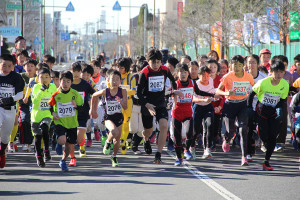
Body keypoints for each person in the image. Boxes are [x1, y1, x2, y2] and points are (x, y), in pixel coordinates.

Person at [137, 48, 184, 164]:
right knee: (149, 130)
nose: (156, 65)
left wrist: (174, 91)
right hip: (147, 103)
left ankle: (158, 154)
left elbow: (173, 81)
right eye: (153, 62)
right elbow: (138, 93)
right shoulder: (145, 72)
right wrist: (147, 105)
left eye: (158, 62)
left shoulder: (164, 69)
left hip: (160, 103)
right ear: (148, 61)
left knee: (163, 126)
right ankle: (146, 138)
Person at [248, 60, 289, 171]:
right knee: (264, 136)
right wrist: (249, 108)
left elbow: (283, 100)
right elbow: (251, 93)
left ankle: (266, 161)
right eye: (276, 72)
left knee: (272, 138)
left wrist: (279, 110)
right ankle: (260, 134)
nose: (279, 74)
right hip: (262, 110)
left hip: (274, 111)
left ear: (284, 73)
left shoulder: (285, 85)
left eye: (281, 72)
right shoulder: (263, 82)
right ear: (271, 71)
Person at [216, 55, 255, 166]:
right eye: (235, 65)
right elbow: (218, 91)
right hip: (230, 105)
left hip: (242, 105)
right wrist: (226, 93)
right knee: (231, 132)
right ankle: (227, 140)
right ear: (230, 66)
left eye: (239, 65)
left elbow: (255, 87)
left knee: (243, 130)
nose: (237, 67)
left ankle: (244, 157)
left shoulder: (248, 76)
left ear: (243, 65)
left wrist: (250, 94)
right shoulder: (228, 76)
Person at [90, 70, 128, 167]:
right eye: (112, 79)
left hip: (119, 116)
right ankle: (107, 141)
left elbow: (126, 107)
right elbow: (94, 96)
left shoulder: (123, 91)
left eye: (117, 79)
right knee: (114, 132)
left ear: (120, 81)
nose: (115, 81)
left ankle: (114, 157)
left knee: (117, 140)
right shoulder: (105, 91)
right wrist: (92, 110)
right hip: (108, 117)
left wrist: (121, 102)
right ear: (108, 80)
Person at [48, 71, 84, 171]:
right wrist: (53, 113)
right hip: (59, 122)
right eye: (63, 81)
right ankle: (58, 141)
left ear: (71, 83)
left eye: (68, 82)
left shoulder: (75, 94)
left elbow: (81, 108)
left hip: (72, 123)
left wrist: (76, 106)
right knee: (62, 140)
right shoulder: (56, 94)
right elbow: (50, 106)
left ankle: (63, 161)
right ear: (60, 82)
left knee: (69, 145)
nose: (65, 84)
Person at [0, 54, 25, 168]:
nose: (5, 68)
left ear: (13, 67)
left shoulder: (16, 77)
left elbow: (21, 94)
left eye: (9, 66)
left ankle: (2, 152)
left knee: (5, 137)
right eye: (3, 65)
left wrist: (11, 99)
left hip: (10, 109)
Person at [69, 62, 95, 166]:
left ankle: (81, 144)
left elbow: (94, 94)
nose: (75, 74)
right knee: (71, 137)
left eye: (78, 72)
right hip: (70, 114)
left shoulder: (85, 84)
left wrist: (92, 108)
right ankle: (73, 157)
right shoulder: (67, 83)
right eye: (73, 72)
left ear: (81, 72)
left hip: (83, 113)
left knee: (79, 136)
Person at [31, 68, 57, 167]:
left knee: (45, 127)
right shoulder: (36, 87)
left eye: (47, 77)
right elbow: (34, 102)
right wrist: (41, 91)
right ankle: (39, 156)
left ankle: (46, 150)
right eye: (42, 77)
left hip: (47, 114)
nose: (44, 79)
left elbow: (56, 99)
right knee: (37, 137)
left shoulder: (53, 86)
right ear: (38, 79)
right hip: (36, 115)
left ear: (50, 78)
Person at [192, 66, 218, 160]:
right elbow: (193, 99)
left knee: (210, 125)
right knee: (195, 130)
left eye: (207, 75)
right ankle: (192, 148)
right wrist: (202, 99)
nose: (206, 77)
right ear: (199, 76)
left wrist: (214, 97)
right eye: (203, 76)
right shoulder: (196, 84)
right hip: (198, 107)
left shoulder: (211, 80)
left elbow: (213, 92)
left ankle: (207, 149)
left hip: (208, 107)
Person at [245, 54, 267, 161]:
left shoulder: (264, 78)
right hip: (247, 105)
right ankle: (248, 152)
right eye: (249, 62)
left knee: (261, 127)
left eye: (253, 62)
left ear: (258, 64)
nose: (251, 65)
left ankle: (261, 141)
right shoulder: (243, 76)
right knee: (248, 127)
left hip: (260, 105)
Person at [115, 58, 136, 154]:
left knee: (126, 124)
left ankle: (123, 142)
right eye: (118, 67)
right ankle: (118, 141)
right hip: (117, 103)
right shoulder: (115, 76)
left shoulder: (131, 77)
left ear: (126, 68)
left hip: (128, 102)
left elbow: (134, 91)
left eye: (121, 68)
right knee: (117, 123)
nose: (119, 69)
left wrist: (123, 91)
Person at [19, 59, 38, 151]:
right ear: (23, 67)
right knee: (24, 120)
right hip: (23, 104)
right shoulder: (20, 77)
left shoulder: (38, 78)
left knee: (33, 122)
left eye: (32, 66)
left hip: (35, 105)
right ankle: (26, 143)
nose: (29, 68)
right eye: (27, 65)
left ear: (35, 68)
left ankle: (33, 140)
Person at [206, 59, 225, 149]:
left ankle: (213, 138)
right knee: (208, 125)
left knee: (216, 126)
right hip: (206, 107)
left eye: (214, 67)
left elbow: (223, 95)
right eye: (210, 67)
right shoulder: (204, 79)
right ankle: (209, 142)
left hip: (217, 108)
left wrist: (220, 107)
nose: (212, 69)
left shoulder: (221, 80)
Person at [130, 60, 148, 154]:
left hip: (144, 106)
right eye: (142, 70)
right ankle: (128, 138)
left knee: (141, 129)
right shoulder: (134, 77)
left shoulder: (149, 78)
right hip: (133, 105)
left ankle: (135, 146)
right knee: (133, 128)